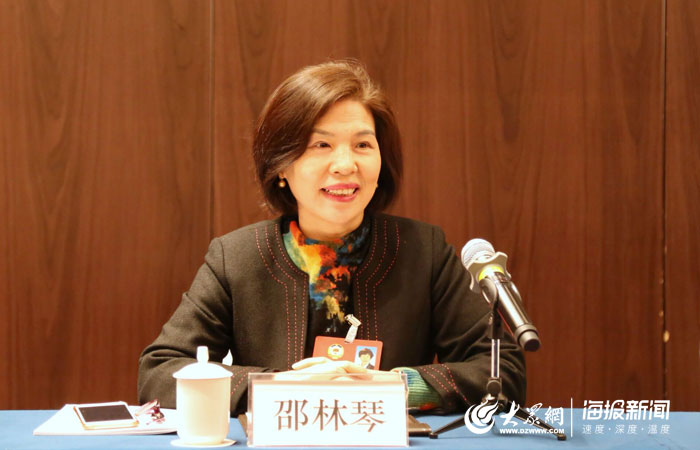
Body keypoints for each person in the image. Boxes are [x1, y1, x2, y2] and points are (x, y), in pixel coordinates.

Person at [138, 60, 526, 415]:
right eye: (321, 145)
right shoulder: (237, 257)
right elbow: (159, 372)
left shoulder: (423, 251)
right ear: (281, 165)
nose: (345, 165)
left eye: (362, 145)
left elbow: (502, 370)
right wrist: (278, 387)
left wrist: (399, 387)